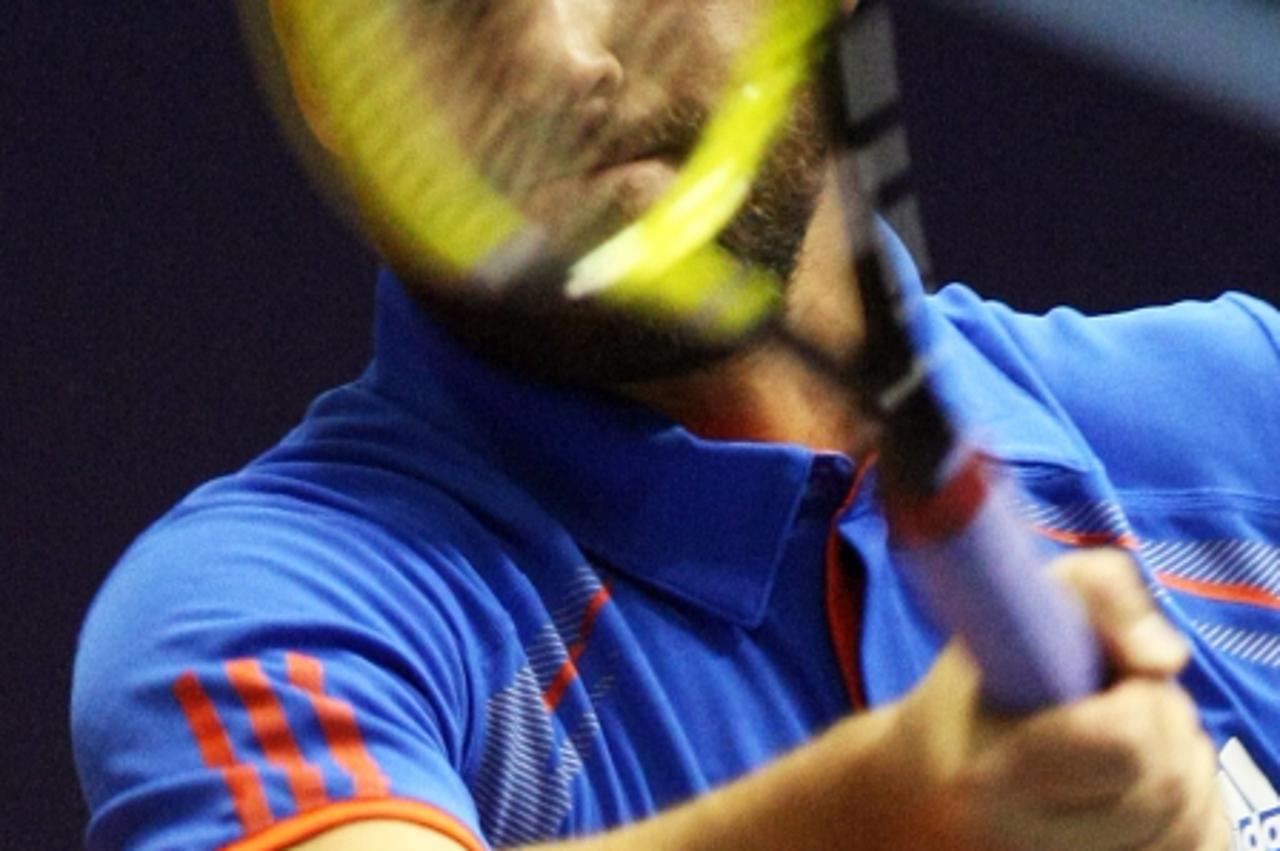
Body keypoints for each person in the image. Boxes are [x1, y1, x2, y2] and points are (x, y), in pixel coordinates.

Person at [72, 1, 1279, 849]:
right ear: (328, 86)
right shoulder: (262, 615)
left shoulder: (1246, 417)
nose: (560, 58)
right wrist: (873, 815)